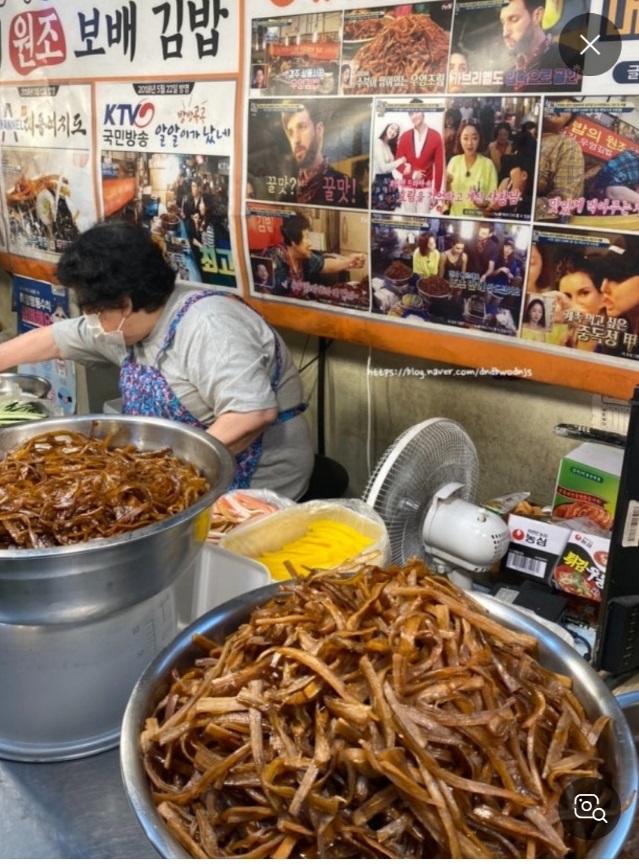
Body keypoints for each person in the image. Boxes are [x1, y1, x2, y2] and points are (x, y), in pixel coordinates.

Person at [0, 220, 314, 500]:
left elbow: (251, 415)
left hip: (256, 481)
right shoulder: (130, 324)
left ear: (124, 303)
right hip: (177, 470)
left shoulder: (209, 325)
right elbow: (55, 339)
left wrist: (161, 475)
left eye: (94, 311)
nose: (90, 320)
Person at [279, 102, 367, 208]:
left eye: (302, 127)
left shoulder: (348, 189)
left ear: (319, 130)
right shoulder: (286, 195)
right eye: (291, 133)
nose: (296, 140)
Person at [262, 213, 366, 297]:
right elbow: (265, 294)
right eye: (306, 237)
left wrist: (349, 262)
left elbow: (324, 264)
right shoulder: (274, 257)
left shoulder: (304, 256)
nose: (310, 243)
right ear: (293, 241)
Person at [499, 0, 581, 92]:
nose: (505, 33)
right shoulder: (508, 76)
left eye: (514, 19)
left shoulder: (568, 61)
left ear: (537, 16)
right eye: (503, 23)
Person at [394, 99, 445, 214]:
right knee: (410, 223)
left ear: (423, 111)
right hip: (407, 187)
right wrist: (413, 173)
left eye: (417, 112)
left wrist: (436, 193)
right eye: (411, 114)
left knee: (423, 223)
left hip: (425, 188)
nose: (414, 116)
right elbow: (397, 163)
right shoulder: (405, 137)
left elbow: (439, 167)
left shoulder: (435, 136)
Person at [535, 108, 585, 221]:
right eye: (556, 102)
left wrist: (520, 204)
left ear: (568, 121)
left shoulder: (567, 145)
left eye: (566, 108)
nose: (558, 108)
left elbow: (562, 203)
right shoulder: (519, 138)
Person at [446, 122, 498, 217]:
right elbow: (447, 200)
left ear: (480, 139)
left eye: (474, 138)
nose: (470, 143)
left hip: (478, 222)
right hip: (455, 219)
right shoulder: (454, 162)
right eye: (465, 138)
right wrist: (447, 184)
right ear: (459, 139)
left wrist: (482, 203)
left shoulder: (488, 165)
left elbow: (493, 200)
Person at [371, 122, 406, 210]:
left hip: (390, 182)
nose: (393, 132)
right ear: (386, 127)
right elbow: (383, 168)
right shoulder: (378, 143)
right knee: (381, 215)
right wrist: (400, 161)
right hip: (381, 183)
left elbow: (393, 165)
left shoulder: (388, 145)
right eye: (392, 128)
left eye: (396, 131)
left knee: (390, 214)